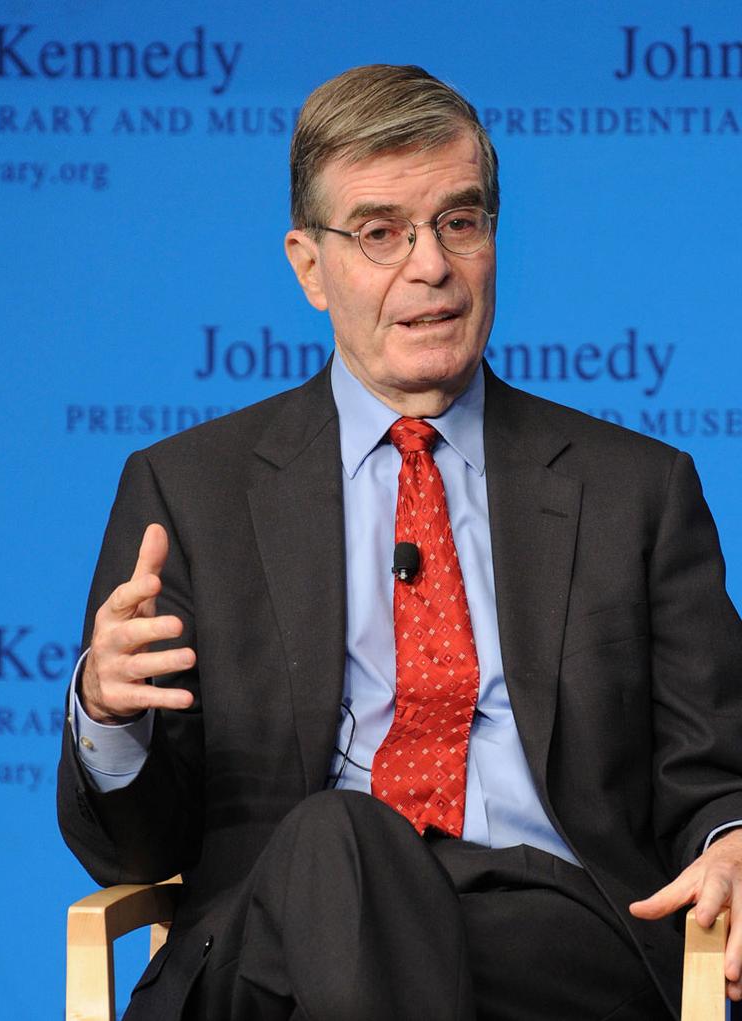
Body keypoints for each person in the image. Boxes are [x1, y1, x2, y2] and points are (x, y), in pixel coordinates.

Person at [58, 64, 742, 1021]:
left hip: (545, 932)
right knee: (339, 843)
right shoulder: (189, 491)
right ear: (308, 265)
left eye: (460, 222)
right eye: (382, 233)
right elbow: (132, 852)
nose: (431, 266)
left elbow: (716, 771)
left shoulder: (635, 489)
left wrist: (733, 834)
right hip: (276, 935)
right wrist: (109, 713)